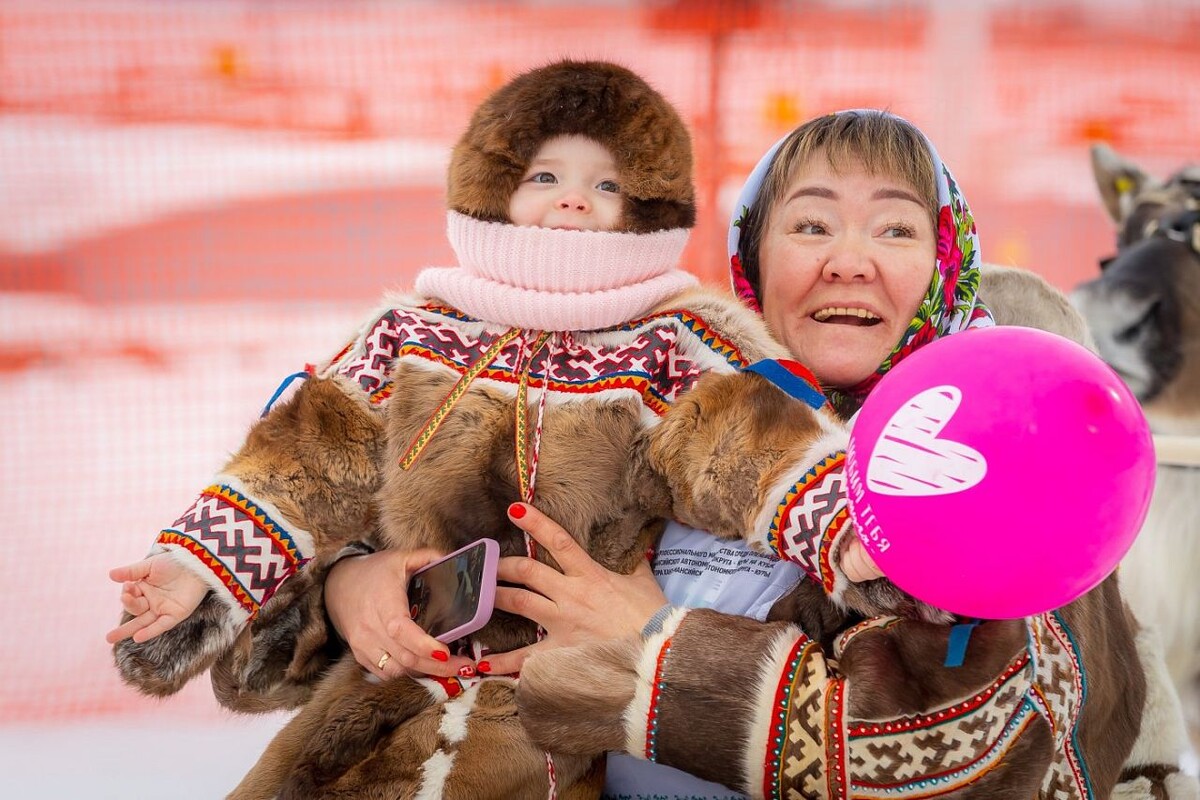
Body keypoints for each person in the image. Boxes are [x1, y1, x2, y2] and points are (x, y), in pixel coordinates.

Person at [107, 60, 851, 800]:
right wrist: (195, 573)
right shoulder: (412, 333)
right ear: (490, 189)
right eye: (544, 178)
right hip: (390, 678)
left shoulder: (674, 343)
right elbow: (297, 464)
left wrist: (857, 538)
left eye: (608, 185)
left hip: (551, 698)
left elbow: (758, 452)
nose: (575, 203)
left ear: (649, 209)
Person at [494, 111, 1199, 799]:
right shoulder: (675, 418)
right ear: (754, 260)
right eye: (811, 226)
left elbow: (981, 752)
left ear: (943, 264)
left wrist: (653, 647)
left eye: (895, 229)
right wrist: (384, 580)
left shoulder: (1013, 446)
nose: (849, 262)